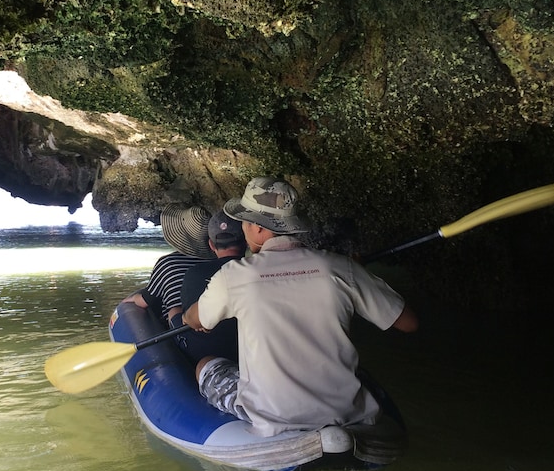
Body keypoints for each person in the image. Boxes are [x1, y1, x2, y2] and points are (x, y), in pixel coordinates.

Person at [183, 177, 418, 438]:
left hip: (273, 416)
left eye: (245, 223)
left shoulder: (234, 276)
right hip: (347, 413)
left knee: (206, 364)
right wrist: (356, 273)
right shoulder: (339, 267)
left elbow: (195, 319)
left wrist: (188, 316)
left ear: (258, 229)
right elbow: (409, 323)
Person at [173, 209, 247, 363]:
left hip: (205, 357)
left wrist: (188, 317)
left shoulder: (194, 273)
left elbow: (192, 319)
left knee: (175, 311)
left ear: (211, 245)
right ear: (245, 241)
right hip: (246, 351)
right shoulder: (256, 271)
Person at [122, 203, 215, 326]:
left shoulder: (168, 264)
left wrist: (129, 301)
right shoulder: (217, 263)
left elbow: (146, 301)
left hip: (181, 330)